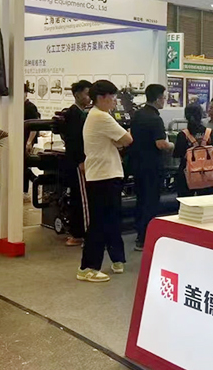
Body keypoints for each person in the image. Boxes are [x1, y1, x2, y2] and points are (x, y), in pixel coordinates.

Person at [78, 80, 133, 283]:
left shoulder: (96, 115)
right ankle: (88, 268)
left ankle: (116, 259)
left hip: (106, 175)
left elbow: (118, 141)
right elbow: (126, 140)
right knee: (100, 224)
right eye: (112, 97)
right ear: (101, 98)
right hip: (103, 177)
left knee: (110, 221)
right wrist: (124, 137)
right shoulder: (101, 117)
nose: (114, 101)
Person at [129, 84, 173, 251]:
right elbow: (161, 144)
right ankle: (145, 237)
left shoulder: (138, 114)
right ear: (158, 98)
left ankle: (139, 233)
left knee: (141, 200)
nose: (164, 100)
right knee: (151, 201)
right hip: (152, 166)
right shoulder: (155, 119)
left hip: (137, 164)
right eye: (164, 97)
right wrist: (173, 145)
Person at [60, 80, 92, 247]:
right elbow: (74, 141)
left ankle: (78, 233)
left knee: (79, 198)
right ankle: (82, 234)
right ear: (78, 95)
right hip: (78, 163)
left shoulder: (83, 113)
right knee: (81, 199)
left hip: (80, 161)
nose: (89, 97)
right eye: (87, 94)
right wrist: (81, 161)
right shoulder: (74, 114)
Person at [173, 103, 213, 197]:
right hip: (208, 174)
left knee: (186, 200)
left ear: (186, 116)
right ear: (201, 115)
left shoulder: (183, 135)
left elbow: (177, 154)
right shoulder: (209, 133)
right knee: (206, 200)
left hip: (187, 174)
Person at [24, 83, 40, 195]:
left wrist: (29, 142)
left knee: (24, 164)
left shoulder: (30, 107)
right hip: (20, 139)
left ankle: (35, 182)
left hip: (26, 139)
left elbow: (35, 126)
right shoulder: (17, 106)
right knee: (23, 165)